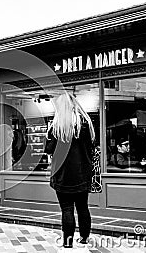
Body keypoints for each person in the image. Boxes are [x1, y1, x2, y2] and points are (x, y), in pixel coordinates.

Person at [45, 92, 95, 249]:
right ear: (74, 104)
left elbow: (49, 149)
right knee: (83, 207)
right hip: (83, 173)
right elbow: (91, 149)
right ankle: (85, 238)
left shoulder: (57, 127)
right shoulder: (85, 124)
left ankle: (68, 242)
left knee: (66, 209)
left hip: (63, 174)